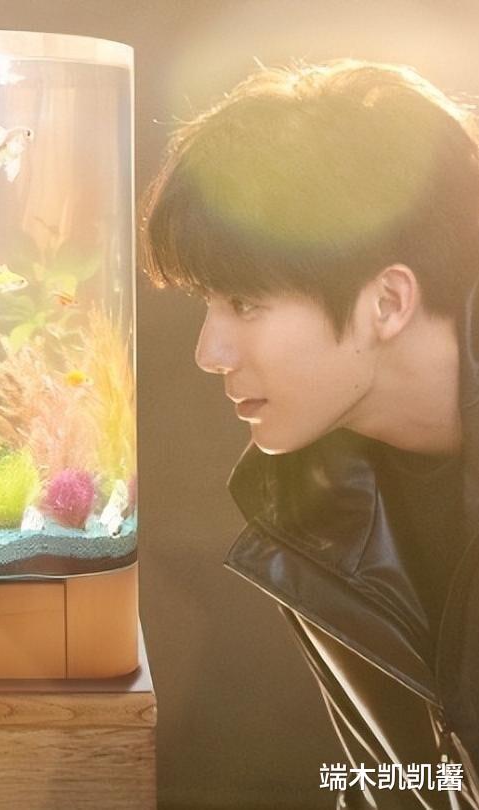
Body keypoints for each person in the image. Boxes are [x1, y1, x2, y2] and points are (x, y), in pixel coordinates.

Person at [142, 60, 479, 808]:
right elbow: (396, 785)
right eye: (207, 303)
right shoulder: (311, 503)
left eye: (245, 304)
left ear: (386, 302)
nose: (209, 352)